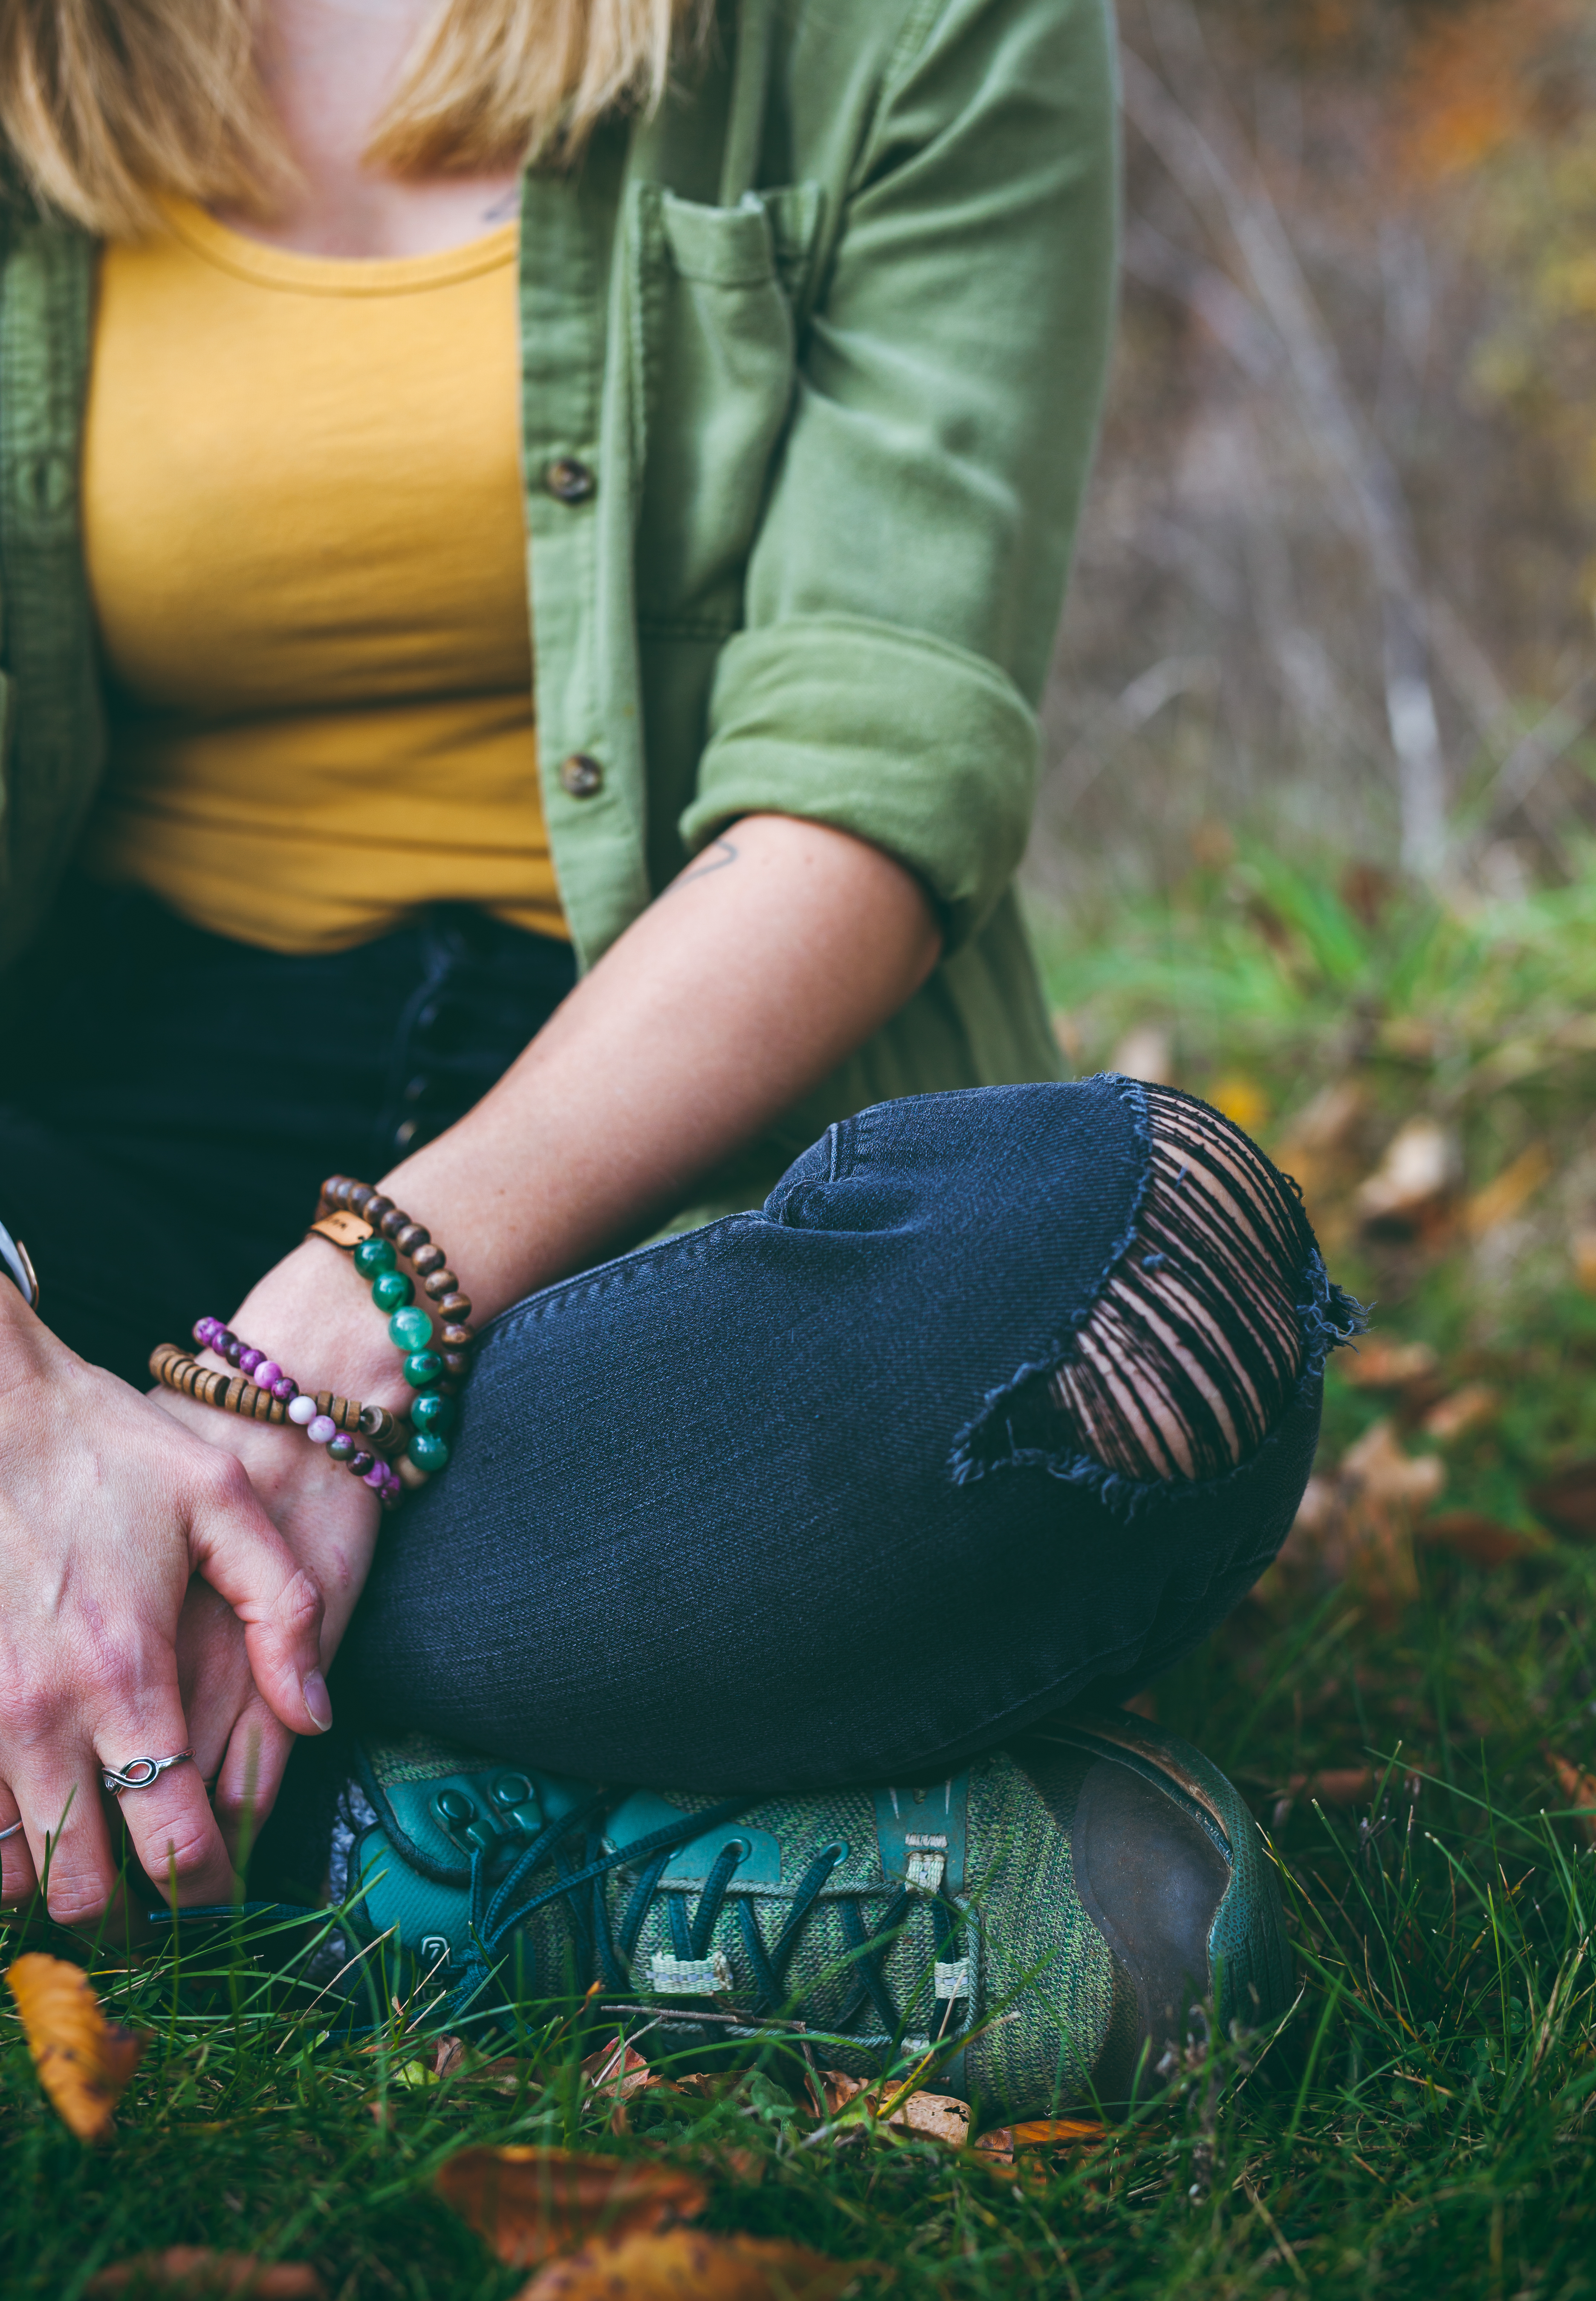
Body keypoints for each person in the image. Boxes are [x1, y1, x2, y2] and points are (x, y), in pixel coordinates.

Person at [0, 0, 1348, 2116]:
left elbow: (868, 786)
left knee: (1137, 1259)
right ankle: (440, 1864)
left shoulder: (917, 29)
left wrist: (340, 1343)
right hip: (75, 1169)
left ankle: (132, 1718)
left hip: (639, 1181)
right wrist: (22, 1413)